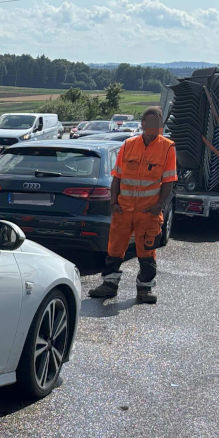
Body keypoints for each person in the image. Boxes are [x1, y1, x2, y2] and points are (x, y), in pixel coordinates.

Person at [89, 106, 176, 305]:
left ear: (160, 125)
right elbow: (117, 177)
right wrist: (113, 203)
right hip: (123, 210)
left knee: (147, 253)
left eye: (156, 122)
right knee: (114, 250)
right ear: (143, 124)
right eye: (149, 122)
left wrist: (158, 207)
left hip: (148, 212)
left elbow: (169, 181)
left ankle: (144, 290)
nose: (152, 126)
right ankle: (109, 286)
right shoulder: (128, 145)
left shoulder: (168, 147)